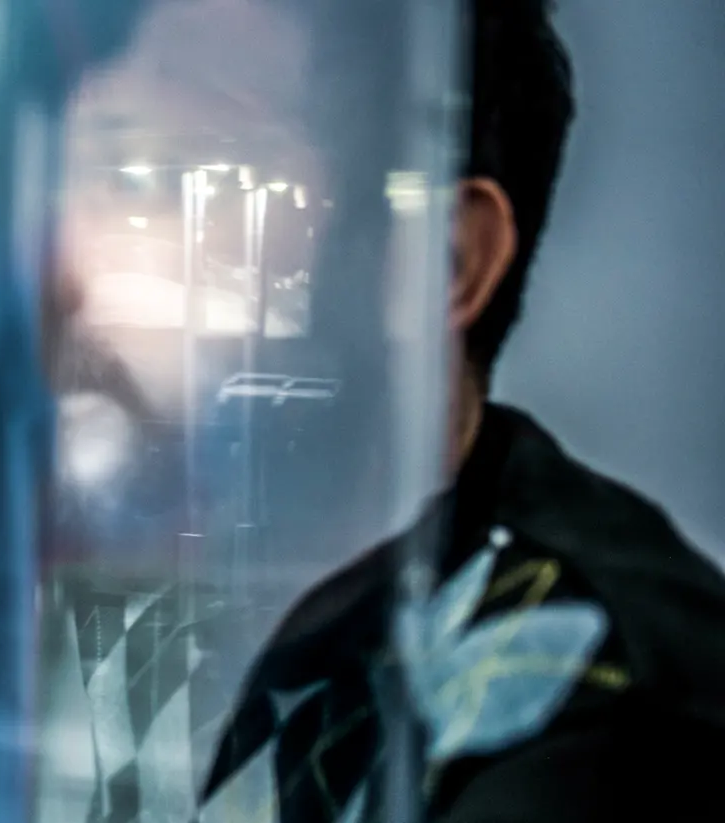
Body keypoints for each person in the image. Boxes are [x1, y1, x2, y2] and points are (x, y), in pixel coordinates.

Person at [185, 2, 725, 821]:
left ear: (445, 262)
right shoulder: (250, 584)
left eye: (206, 179)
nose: (75, 267)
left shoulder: (594, 708)